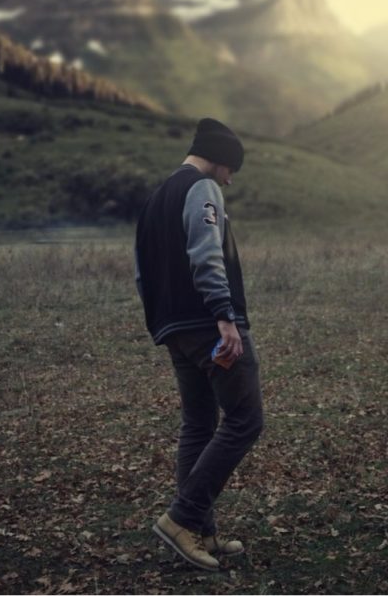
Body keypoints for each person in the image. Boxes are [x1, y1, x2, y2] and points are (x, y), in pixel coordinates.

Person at [135, 117, 263, 571]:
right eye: (231, 170)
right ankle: (181, 518)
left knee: (199, 424)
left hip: (175, 330)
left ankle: (201, 531)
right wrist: (225, 318)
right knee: (246, 420)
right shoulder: (203, 189)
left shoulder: (153, 200)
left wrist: (162, 323)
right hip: (210, 326)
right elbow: (207, 254)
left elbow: (140, 273)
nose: (229, 179)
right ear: (220, 159)